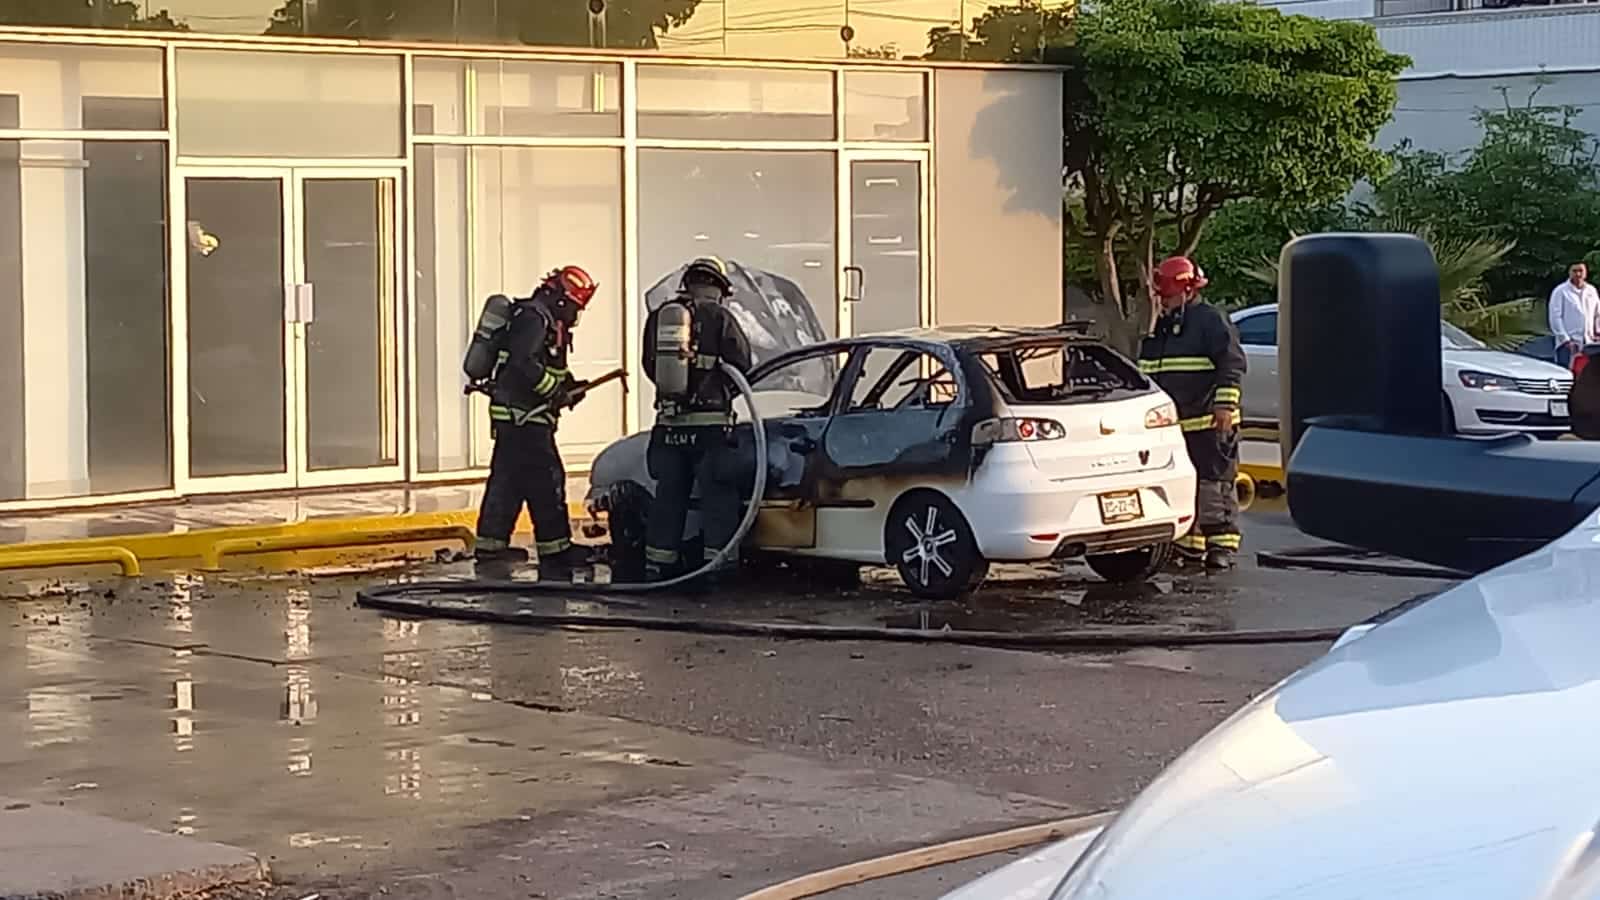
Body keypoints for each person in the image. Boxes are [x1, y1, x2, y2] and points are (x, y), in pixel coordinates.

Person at [473, 265, 599, 575]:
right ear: (561, 298)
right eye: (575, 307)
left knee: (508, 482)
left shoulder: (541, 318)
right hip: (525, 418)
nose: (576, 315)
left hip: (516, 418)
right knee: (547, 480)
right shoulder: (535, 318)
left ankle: (491, 548)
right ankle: (556, 551)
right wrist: (553, 392)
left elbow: (544, 363)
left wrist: (568, 384)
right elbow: (522, 362)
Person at [640, 257, 754, 585]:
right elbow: (741, 365)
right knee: (719, 497)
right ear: (719, 288)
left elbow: (652, 366)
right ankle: (718, 568)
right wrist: (717, 390)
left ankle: (659, 566)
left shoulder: (661, 318)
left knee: (669, 496)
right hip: (710, 427)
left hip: (669, 425)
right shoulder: (720, 316)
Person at [1140, 256, 1248, 571]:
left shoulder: (1211, 321)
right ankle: (1190, 544)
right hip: (1175, 427)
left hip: (1209, 422)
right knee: (1184, 485)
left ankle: (1222, 545)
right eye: (1161, 297)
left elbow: (1232, 364)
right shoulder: (1163, 328)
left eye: (1169, 296)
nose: (1164, 302)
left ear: (1188, 291)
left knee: (1213, 484)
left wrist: (1225, 405)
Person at [1548, 262, 1600, 370]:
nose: (1578, 274)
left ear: (1585, 273)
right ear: (1569, 273)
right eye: (1575, 271)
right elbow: (1555, 317)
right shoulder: (1560, 291)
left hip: (1589, 344)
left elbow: (1597, 314)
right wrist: (1566, 340)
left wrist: (1597, 332)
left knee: (1587, 376)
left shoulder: (1591, 290)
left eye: (1581, 271)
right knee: (1567, 376)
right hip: (1568, 344)